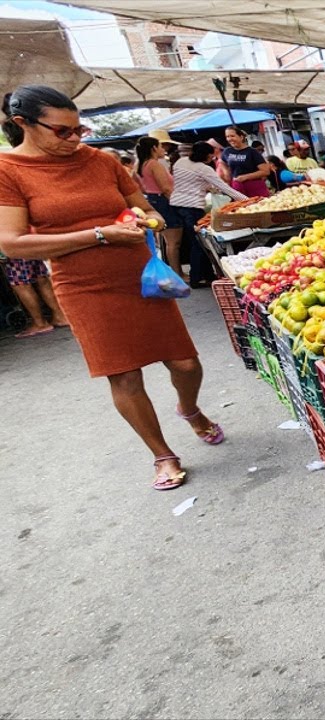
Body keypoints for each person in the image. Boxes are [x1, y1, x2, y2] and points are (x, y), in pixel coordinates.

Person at [0, 84, 222, 490]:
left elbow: (150, 210)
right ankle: (162, 453)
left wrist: (145, 222)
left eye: (78, 129)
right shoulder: (8, 170)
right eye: (61, 131)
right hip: (82, 285)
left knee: (185, 362)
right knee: (123, 376)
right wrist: (99, 235)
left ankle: (189, 410)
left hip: (141, 275)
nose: (73, 139)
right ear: (22, 124)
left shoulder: (101, 161)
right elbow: (12, 242)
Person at [171, 142, 247, 287]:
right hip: (192, 207)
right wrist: (248, 200)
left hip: (176, 205)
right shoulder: (203, 168)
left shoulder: (180, 162)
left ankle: (207, 275)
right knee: (199, 243)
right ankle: (197, 278)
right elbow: (225, 188)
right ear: (206, 155)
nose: (212, 158)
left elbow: (189, 182)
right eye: (211, 156)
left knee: (193, 242)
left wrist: (207, 187)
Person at [135, 136, 185, 281]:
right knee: (173, 241)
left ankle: (176, 272)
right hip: (163, 201)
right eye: (161, 146)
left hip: (153, 200)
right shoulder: (154, 164)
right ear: (154, 148)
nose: (163, 149)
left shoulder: (141, 164)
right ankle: (177, 273)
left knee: (168, 240)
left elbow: (139, 187)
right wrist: (176, 203)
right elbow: (166, 188)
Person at [2, 255, 67, 337]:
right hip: (26, 246)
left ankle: (40, 323)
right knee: (40, 278)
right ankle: (60, 315)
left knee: (20, 284)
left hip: (12, 250)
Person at [219, 126, 271, 198]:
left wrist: (246, 177)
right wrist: (226, 173)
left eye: (232, 136)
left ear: (241, 137)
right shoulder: (227, 151)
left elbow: (265, 171)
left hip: (254, 186)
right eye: (227, 136)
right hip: (237, 187)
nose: (229, 139)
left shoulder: (252, 152)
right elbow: (221, 162)